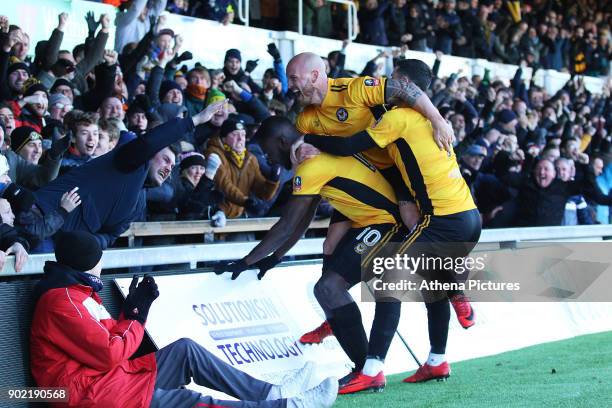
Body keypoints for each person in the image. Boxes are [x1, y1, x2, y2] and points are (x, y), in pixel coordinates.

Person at [299, 59, 481, 385]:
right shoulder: (423, 119)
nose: (387, 82)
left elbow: (347, 146)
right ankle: (437, 359)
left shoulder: (398, 118)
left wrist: (309, 141)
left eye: (393, 79)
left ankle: (370, 370)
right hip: (467, 215)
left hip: (443, 220)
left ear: (405, 83)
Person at [30, 230, 337, 408]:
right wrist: (137, 319)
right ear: (88, 263)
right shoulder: (63, 301)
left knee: (185, 350)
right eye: (99, 259)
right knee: (187, 401)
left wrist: (130, 315)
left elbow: (108, 340)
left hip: (106, 381)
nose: (102, 265)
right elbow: (110, 352)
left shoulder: (76, 293)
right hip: (89, 396)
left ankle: (271, 393)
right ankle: (286, 406)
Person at [215, 116, 410, 394]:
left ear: (283, 141)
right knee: (325, 289)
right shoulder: (312, 161)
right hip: (368, 221)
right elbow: (303, 219)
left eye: (268, 149)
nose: (269, 157)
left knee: (330, 288)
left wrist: (247, 261)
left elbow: (285, 225)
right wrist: (276, 256)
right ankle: (359, 361)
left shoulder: (310, 164)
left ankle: (367, 370)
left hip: (388, 222)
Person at [32, 101, 226, 249]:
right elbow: (148, 143)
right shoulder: (126, 162)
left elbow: (110, 235)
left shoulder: (140, 201)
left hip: (66, 245)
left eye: (173, 165)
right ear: (150, 155)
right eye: (166, 160)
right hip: (40, 219)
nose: (169, 168)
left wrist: (88, 243)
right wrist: (196, 120)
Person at [205, 117, 280, 219]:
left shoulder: (250, 158)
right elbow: (224, 185)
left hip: (238, 216)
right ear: (223, 138)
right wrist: (245, 201)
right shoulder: (214, 153)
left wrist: (273, 181)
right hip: (215, 214)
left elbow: (263, 193)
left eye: (243, 135)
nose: (240, 139)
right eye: (235, 134)